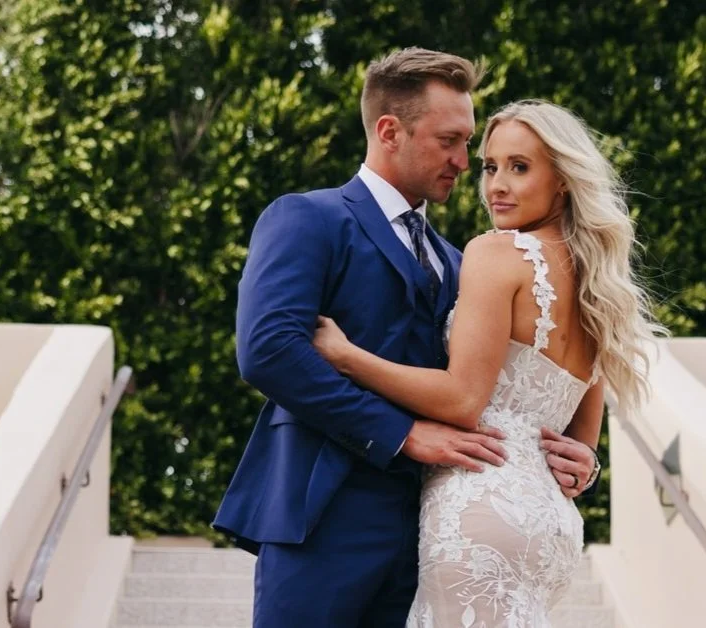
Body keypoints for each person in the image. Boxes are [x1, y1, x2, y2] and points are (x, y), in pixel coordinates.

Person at [212, 49, 597, 627]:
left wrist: (583, 457)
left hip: (434, 532)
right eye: (451, 141)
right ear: (390, 131)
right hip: (322, 519)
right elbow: (268, 350)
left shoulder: (462, 259)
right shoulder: (307, 218)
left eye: (471, 144)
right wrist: (402, 434)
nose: (466, 163)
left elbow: (503, 379)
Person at [313, 99, 663, 626]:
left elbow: (463, 398)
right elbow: (580, 441)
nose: (497, 185)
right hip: (552, 524)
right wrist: (586, 465)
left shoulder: (496, 253)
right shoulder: (598, 289)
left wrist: (347, 357)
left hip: (479, 503)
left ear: (563, 180)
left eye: (519, 168)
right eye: (490, 167)